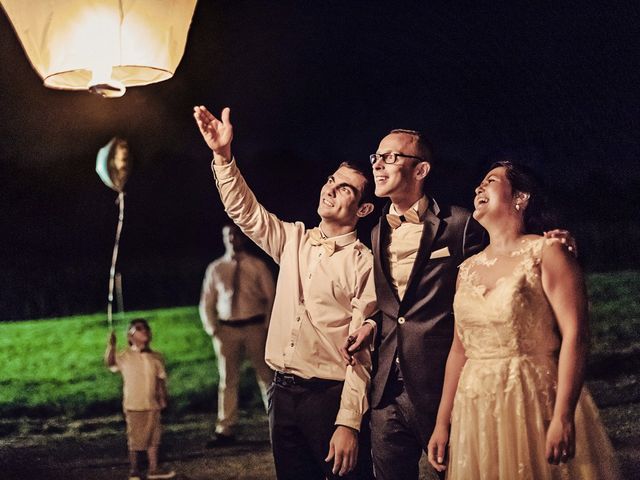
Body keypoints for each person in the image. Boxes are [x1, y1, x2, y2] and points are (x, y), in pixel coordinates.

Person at [341, 131, 575, 480]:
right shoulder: (374, 233)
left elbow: (506, 260)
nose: (377, 163)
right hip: (387, 387)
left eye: (390, 157)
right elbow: (393, 304)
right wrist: (372, 325)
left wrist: (559, 239)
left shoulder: (460, 224)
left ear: (420, 171)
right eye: (376, 155)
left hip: (442, 384)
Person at [193, 105, 377, 480]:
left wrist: (349, 423)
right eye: (331, 179)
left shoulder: (364, 263)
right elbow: (246, 212)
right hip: (282, 394)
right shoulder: (293, 238)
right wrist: (223, 157)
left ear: (363, 208)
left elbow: (364, 350)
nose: (331, 188)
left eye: (345, 188)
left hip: (330, 397)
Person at [426, 161, 621, 479]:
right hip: (476, 404)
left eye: (490, 181)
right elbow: (459, 350)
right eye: (479, 182)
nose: (478, 187)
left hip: (532, 398)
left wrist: (563, 415)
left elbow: (576, 335)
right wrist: (442, 422)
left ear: (521, 197)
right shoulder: (467, 269)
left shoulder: (548, 253)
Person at [199, 223, 275, 446]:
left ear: (243, 237)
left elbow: (272, 297)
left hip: (255, 327)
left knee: (266, 378)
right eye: (228, 235)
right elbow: (207, 300)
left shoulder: (257, 266)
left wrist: (269, 325)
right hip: (227, 329)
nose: (232, 238)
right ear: (224, 238)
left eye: (236, 234)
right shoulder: (216, 268)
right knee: (228, 380)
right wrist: (212, 328)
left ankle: (276, 425)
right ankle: (225, 428)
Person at [105, 319, 176, 480]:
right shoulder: (125, 356)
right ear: (130, 336)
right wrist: (111, 346)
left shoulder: (156, 357)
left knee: (153, 438)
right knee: (136, 439)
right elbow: (110, 363)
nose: (144, 331)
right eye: (138, 329)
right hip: (134, 405)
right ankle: (134, 470)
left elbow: (160, 379)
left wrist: (163, 396)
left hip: (152, 404)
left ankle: (153, 468)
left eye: (145, 328)